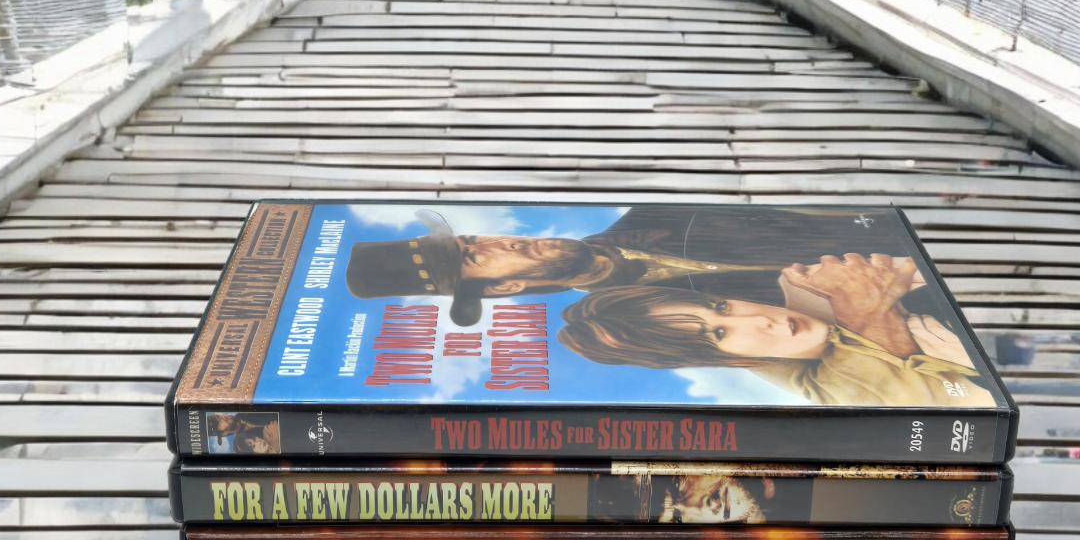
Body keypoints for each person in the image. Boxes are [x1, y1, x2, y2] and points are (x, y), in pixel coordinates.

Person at [345, 205, 942, 326]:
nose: (506, 241)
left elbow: (840, 221)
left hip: (914, 253)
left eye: (475, 236)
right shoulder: (635, 322)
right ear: (508, 287)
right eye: (478, 256)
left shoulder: (653, 214)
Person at [558, 254, 997, 408]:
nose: (757, 320)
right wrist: (871, 317)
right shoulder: (840, 388)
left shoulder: (813, 280)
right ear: (720, 359)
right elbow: (979, 406)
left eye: (720, 306)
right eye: (719, 334)